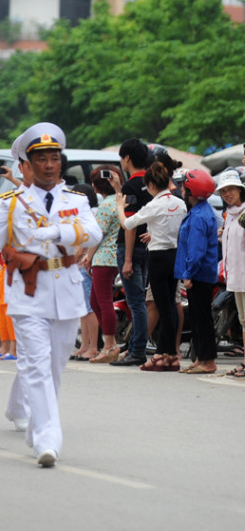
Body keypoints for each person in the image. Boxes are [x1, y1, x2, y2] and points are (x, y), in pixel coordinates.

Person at [0, 123, 101, 467]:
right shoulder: (9, 205)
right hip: (27, 295)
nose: (48, 164)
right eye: (40, 159)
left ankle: (28, 416)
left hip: (67, 290)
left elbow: (92, 231)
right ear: (25, 166)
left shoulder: (75, 199)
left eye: (53, 158)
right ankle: (47, 437)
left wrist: (57, 229)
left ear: (60, 162)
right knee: (38, 365)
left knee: (55, 366)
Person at [115, 161, 186, 371]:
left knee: (164, 308)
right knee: (169, 306)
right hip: (175, 256)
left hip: (157, 258)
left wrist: (120, 207)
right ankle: (169, 354)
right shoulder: (179, 203)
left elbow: (127, 224)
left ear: (152, 186)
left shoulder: (154, 205)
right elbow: (175, 228)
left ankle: (166, 355)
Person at [111, 138, 152, 366]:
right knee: (140, 301)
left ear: (127, 158)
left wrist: (126, 259)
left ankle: (137, 351)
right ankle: (134, 347)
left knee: (136, 302)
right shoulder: (151, 182)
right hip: (147, 246)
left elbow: (130, 223)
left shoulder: (132, 186)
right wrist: (119, 190)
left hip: (131, 249)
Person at [175, 170, 219, 374]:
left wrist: (189, 274)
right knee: (198, 317)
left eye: (184, 186)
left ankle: (208, 361)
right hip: (199, 274)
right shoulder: (199, 211)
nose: (182, 189)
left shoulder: (200, 216)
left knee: (202, 319)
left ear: (191, 190)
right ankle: (201, 358)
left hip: (199, 275)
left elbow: (196, 250)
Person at [86, 165, 124, 364]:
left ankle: (109, 345)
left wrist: (88, 258)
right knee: (96, 301)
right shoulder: (118, 200)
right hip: (113, 257)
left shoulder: (105, 205)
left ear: (96, 186)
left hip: (103, 258)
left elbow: (96, 235)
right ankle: (111, 342)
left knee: (103, 302)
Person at [218, 169, 245, 378]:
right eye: (224, 191)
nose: (228, 194)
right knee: (243, 321)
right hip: (235, 276)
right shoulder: (231, 216)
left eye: (232, 189)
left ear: (240, 190)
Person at [69, 183, 100, 361]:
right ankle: (84, 345)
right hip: (80, 266)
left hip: (83, 266)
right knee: (84, 309)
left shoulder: (89, 216)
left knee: (89, 309)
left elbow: (81, 247)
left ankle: (92, 346)